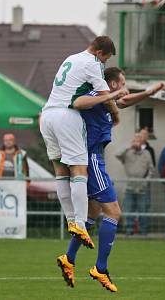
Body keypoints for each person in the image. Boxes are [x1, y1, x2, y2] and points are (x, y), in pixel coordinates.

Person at [57, 66, 165, 292]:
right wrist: (112, 95)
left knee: (94, 212)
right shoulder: (98, 95)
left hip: (92, 157)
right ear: (113, 84)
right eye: (122, 83)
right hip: (91, 157)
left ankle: (69, 258)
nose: (124, 88)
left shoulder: (109, 100)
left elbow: (124, 101)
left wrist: (148, 93)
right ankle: (100, 268)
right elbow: (80, 102)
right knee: (114, 212)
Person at [40, 36, 124, 248]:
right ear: (99, 53)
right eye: (105, 59)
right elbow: (107, 96)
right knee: (79, 170)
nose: (104, 65)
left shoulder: (71, 58)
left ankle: (70, 220)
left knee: (60, 170)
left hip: (46, 115)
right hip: (66, 116)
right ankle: (80, 224)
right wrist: (115, 114)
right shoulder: (92, 63)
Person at [118, 134, 155, 238]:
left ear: (142, 143)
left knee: (142, 209)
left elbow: (151, 169)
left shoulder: (147, 153)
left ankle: (143, 231)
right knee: (128, 209)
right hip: (130, 186)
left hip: (142, 187)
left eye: (138, 141)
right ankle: (129, 230)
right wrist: (129, 147)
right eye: (134, 141)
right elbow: (117, 155)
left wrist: (146, 181)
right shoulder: (128, 152)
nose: (136, 143)